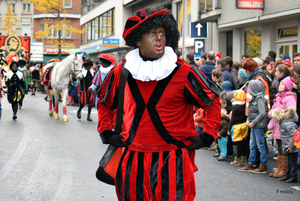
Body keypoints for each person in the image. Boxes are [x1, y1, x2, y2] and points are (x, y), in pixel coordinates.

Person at [97, 8, 221, 201]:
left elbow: (212, 100)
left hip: (173, 159)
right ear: (138, 40)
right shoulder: (122, 72)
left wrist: (208, 135)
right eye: (152, 32)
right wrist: (106, 131)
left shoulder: (184, 72)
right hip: (132, 158)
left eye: (162, 33)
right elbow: (104, 101)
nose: (159, 37)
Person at [268, 77, 297, 178]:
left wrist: (281, 117)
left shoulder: (290, 98)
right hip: (277, 126)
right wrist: (271, 113)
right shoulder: (278, 96)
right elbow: (273, 108)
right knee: (279, 147)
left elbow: (292, 110)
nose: (280, 86)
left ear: (288, 87)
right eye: (280, 84)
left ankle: (284, 170)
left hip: (284, 126)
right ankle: (279, 168)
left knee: (284, 148)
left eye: (282, 84)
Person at [238, 80, 269, 173]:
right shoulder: (255, 98)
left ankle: (263, 165)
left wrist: (253, 122)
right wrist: (248, 120)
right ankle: (250, 163)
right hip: (254, 125)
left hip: (259, 125)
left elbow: (262, 113)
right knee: (252, 145)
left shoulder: (259, 99)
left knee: (260, 145)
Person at [269, 107, 299, 183]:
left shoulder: (287, 124)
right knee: (289, 161)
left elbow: (295, 135)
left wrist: (291, 146)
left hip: (292, 147)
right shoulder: (283, 123)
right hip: (288, 146)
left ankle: (293, 176)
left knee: (292, 162)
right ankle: (288, 175)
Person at [228, 90, 248, 166]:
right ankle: (244, 157)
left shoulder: (235, 107)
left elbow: (233, 119)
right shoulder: (244, 104)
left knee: (238, 143)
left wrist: (229, 129)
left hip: (237, 126)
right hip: (244, 125)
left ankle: (238, 159)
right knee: (243, 142)